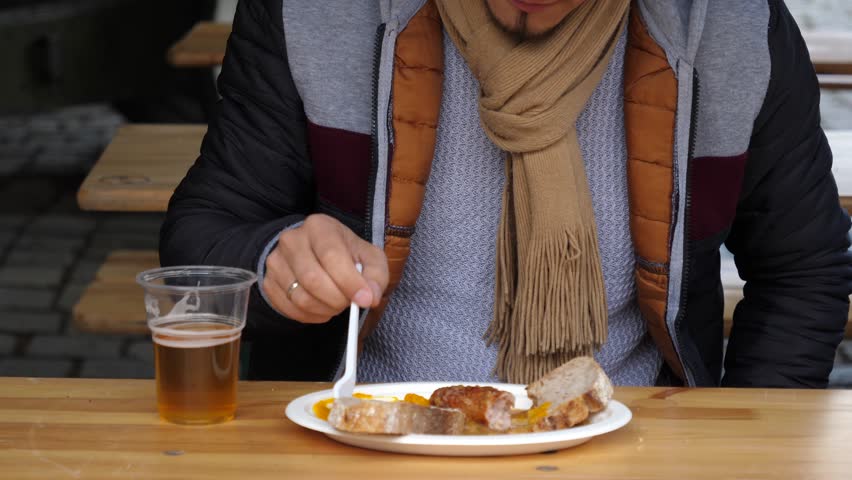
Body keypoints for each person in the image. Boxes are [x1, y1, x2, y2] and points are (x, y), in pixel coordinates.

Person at [160, 0, 852, 388]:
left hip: (639, 440)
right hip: (366, 434)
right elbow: (203, 232)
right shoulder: (316, 14)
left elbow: (802, 267)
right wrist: (275, 256)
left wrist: (742, 442)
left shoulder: (729, 25)